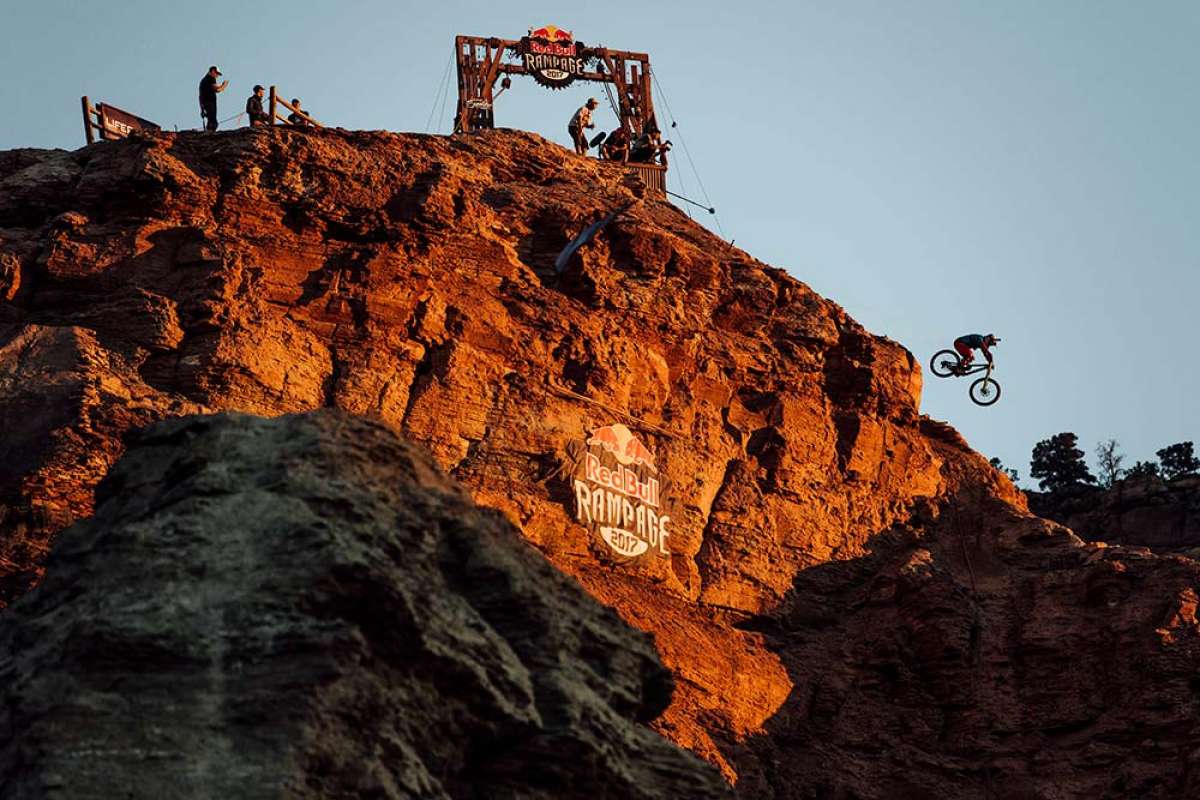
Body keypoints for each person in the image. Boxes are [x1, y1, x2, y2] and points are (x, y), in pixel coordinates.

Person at [198, 66, 229, 132]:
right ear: (212, 71)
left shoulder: (204, 80)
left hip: (206, 103)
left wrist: (201, 108)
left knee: (211, 120)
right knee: (213, 122)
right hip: (209, 102)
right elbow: (217, 89)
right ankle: (209, 134)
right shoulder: (210, 78)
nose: (217, 76)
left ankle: (209, 133)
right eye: (216, 74)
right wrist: (224, 85)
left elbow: (200, 96)